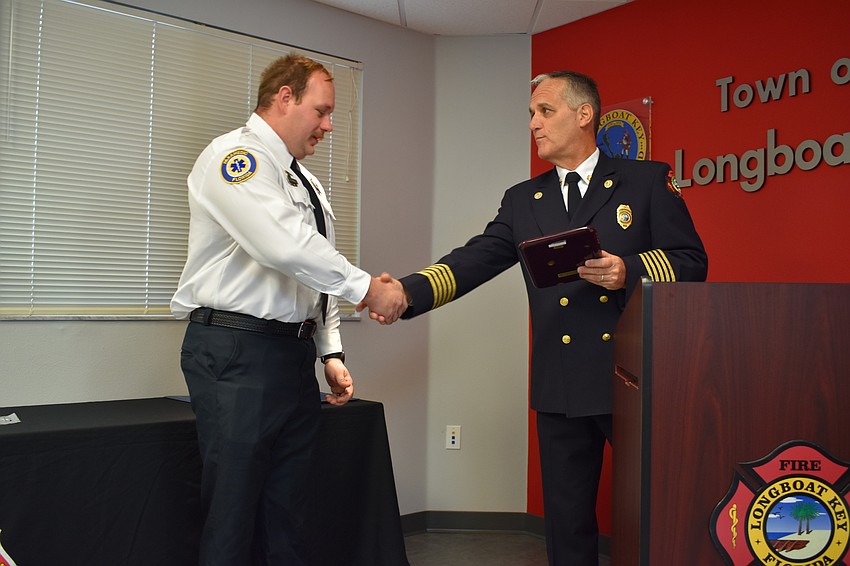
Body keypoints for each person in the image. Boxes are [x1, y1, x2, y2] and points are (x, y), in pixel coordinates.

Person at [365, 71, 708, 565]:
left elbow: (692, 262)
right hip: (562, 378)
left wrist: (625, 270)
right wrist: (405, 292)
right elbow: (475, 258)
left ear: (583, 114)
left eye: (545, 111)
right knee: (567, 521)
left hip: (633, 376)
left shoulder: (645, 180)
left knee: (652, 509)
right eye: (531, 114)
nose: (534, 123)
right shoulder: (524, 199)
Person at [171, 54, 406, 566]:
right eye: (321, 111)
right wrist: (369, 289)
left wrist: (330, 352)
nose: (327, 126)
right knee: (233, 513)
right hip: (237, 353)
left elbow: (311, 274)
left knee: (289, 511)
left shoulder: (305, 182)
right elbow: (284, 247)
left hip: (291, 356)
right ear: (284, 97)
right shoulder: (236, 158)